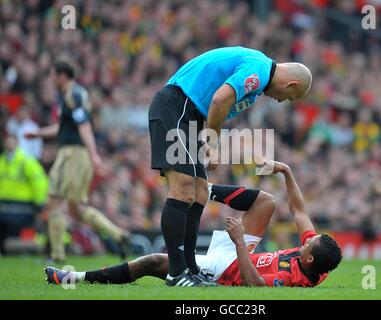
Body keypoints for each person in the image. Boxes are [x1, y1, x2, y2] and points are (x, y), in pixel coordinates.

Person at [148, 46, 313, 286]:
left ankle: (191, 269)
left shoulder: (257, 80)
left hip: (190, 115)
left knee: (200, 193)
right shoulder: (258, 69)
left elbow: (218, 102)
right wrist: (211, 141)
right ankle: (177, 273)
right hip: (178, 105)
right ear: (292, 84)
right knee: (183, 188)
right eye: (287, 97)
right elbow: (219, 98)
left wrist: (206, 138)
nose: (280, 100)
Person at [45, 161, 342, 288]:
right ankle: (204, 189)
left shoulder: (294, 279)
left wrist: (239, 240)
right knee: (267, 202)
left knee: (153, 262)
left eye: (307, 244)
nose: (304, 240)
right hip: (242, 253)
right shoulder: (318, 259)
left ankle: (75, 278)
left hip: (229, 268)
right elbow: (299, 211)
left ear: (310, 258)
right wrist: (286, 172)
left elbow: (256, 285)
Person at [25, 61, 130, 262]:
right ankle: (119, 235)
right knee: (75, 208)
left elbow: (84, 127)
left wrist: (93, 155)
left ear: (62, 75)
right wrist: (39, 133)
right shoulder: (73, 94)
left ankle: (56, 256)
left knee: (53, 201)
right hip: (77, 155)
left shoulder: (72, 95)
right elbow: (62, 127)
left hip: (72, 155)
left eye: (53, 74)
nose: (51, 79)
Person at [0, 133, 48, 253]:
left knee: (16, 233)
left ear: (17, 143)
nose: (9, 144)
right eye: (7, 141)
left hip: (22, 206)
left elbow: (39, 181)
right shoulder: (2, 161)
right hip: (4, 204)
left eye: (12, 141)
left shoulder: (26, 160)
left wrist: (39, 202)